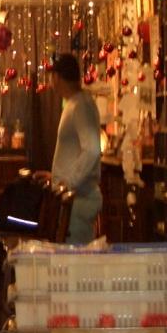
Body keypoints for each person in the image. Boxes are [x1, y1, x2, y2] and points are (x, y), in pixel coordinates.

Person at [38, 53, 103, 244]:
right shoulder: (75, 103)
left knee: (75, 255)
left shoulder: (81, 105)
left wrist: (68, 181)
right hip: (73, 198)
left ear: (57, 77)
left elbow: (92, 150)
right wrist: (56, 176)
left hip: (78, 200)